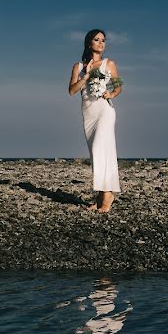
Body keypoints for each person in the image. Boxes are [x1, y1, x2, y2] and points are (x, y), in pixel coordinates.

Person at [68, 29, 123, 213]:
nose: (101, 43)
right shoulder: (78, 66)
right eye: (97, 40)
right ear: (88, 42)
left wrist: (111, 93)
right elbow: (72, 91)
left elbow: (118, 86)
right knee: (95, 152)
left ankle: (108, 195)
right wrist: (86, 75)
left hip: (104, 110)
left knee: (101, 148)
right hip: (88, 112)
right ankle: (100, 195)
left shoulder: (109, 63)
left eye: (103, 40)